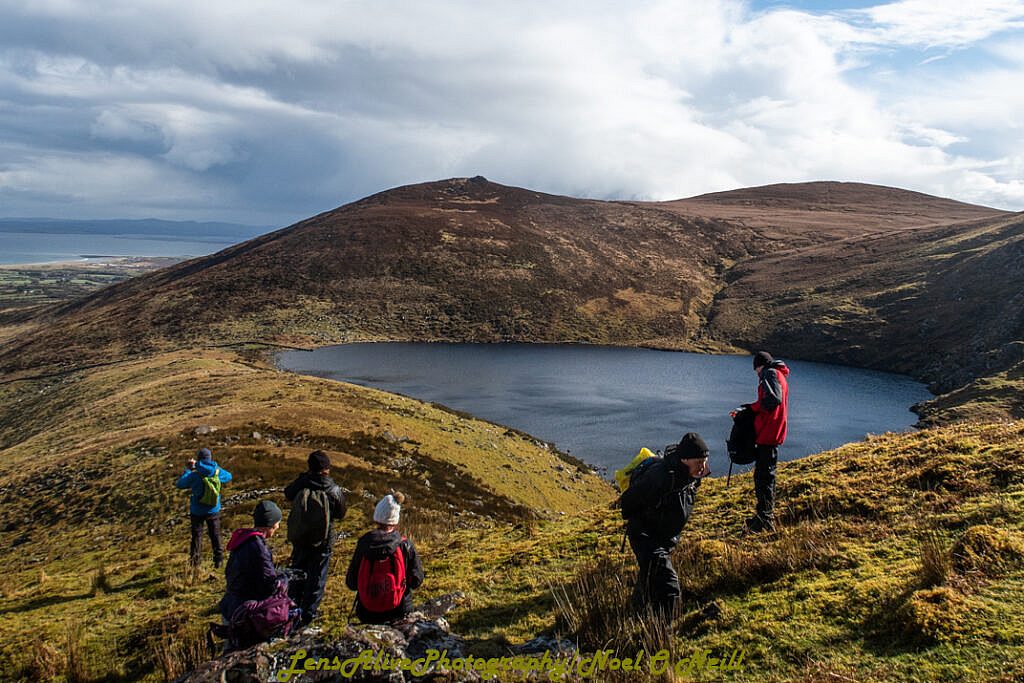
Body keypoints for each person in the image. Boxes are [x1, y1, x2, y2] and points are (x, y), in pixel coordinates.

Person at [620, 432, 709, 619]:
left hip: (665, 538)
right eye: (699, 461)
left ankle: (635, 615)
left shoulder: (690, 476)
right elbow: (628, 502)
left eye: (704, 460)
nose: (703, 467)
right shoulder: (660, 476)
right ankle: (668, 629)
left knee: (648, 577)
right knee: (669, 584)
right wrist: (646, 524)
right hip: (645, 536)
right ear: (685, 459)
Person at [284, 450, 348, 625]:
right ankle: (309, 612)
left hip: (301, 536)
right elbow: (341, 512)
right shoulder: (332, 488)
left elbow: (288, 493)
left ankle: (291, 607)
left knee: (298, 570)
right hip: (324, 538)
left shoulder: (302, 483)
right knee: (318, 575)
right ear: (327, 468)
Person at [346, 493, 425, 624]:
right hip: (399, 611)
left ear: (377, 518)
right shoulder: (405, 545)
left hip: (367, 613)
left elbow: (351, 583)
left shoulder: (364, 544)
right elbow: (416, 580)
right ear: (395, 520)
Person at [745, 351, 790, 533]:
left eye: (756, 369)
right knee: (765, 476)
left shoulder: (769, 373)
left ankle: (765, 520)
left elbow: (772, 400)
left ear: (759, 365)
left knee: (764, 478)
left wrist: (751, 408)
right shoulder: (778, 374)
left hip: (768, 432)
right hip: (773, 431)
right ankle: (763, 516)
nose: (756, 373)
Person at [219, 500, 284, 623]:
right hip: (245, 611)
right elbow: (269, 583)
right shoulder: (259, 549)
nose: (278, 527)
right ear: (269, 525)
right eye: (276, 524)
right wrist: (283, 580)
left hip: (230, 604)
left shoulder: (243, 540)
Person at [175, 447, 233, 568]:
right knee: (215, 534)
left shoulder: (194, 474)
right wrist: (217, 473)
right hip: (213, 509)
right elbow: (229, 476)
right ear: (210, 458)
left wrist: (188, 470)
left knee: (197, 536)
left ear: (199, 459)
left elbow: (180, 484)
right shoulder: (216, 471)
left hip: (197, 510)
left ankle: (195, 563)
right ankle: (219, 560)